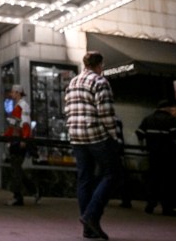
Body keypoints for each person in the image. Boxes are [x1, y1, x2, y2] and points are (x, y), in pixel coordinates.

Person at [64, 51, 121, 240]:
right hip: (96, 134)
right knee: (112, 173)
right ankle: (91, 216)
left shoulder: (72, 82)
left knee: (84, 178)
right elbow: (106, 112)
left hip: (76, 136)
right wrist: (114, 136)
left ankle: (87, 229)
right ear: (100, 65)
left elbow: (67, 109)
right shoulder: (100, 81)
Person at [136, 100, 176, 217]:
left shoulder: (148, 119)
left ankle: (150, 205)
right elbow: (175, 137)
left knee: (153, 179)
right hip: (167, 156)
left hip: (152, 155)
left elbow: (139, 134)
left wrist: (143, 147)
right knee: (167, 182)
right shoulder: (171, 120)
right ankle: (167, 208)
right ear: (166, 108)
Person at [3, 84, 37, 206]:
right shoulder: (19, 106)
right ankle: (32, 191)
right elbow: (17, 124)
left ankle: (19, 196)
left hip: (18, 141)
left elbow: (25, 123)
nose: (11, 94)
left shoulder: (22, 106)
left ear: (18, 93)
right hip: (16, 140)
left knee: (16, 169)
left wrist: (24, 139)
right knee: (16, 168)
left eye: (13, 92)